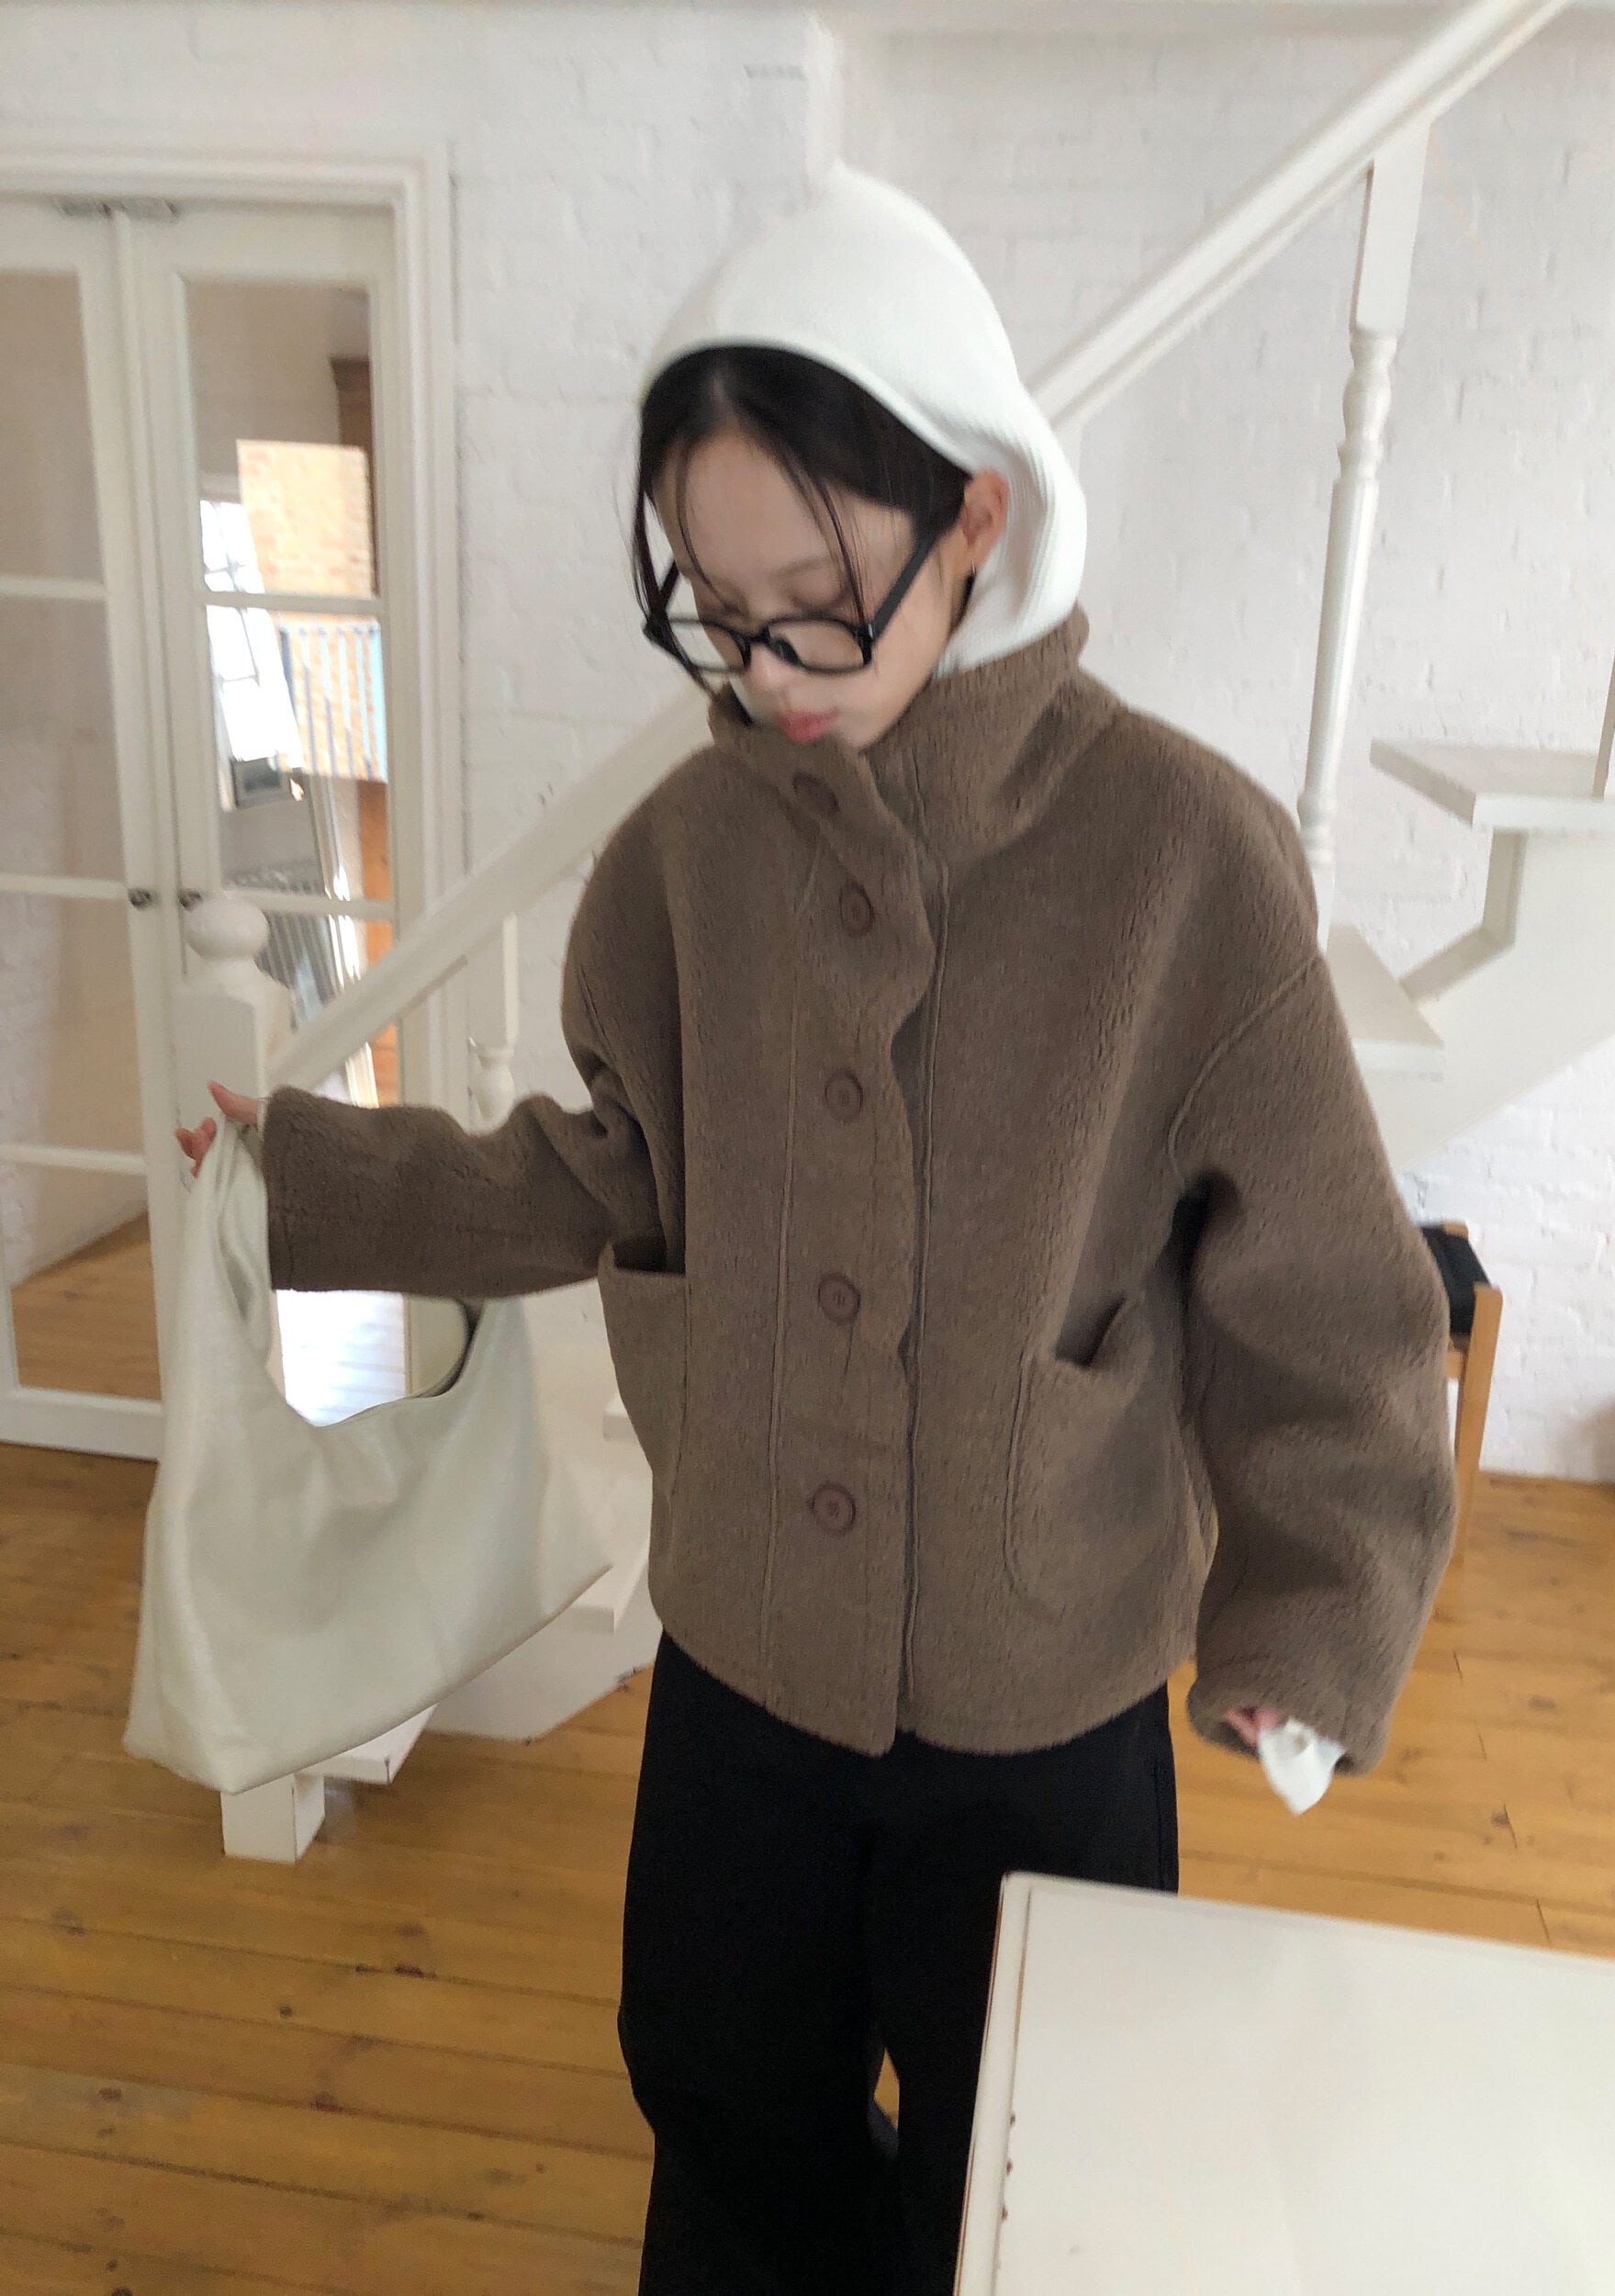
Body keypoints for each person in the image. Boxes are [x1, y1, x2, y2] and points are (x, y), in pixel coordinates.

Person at [175, 162, 1456, 2296]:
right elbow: (605, 1167)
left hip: (1042, 1682)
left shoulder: (1180, 856)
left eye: (817, 598)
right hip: (749, 1652)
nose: (770, 663)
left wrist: (1312, 1617)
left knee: (1026, 2146)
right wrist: (318, 1173)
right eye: (717, 604)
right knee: (716, 2086)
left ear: (972, 514)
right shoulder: (682, 862)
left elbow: (1327, 1291)